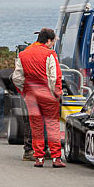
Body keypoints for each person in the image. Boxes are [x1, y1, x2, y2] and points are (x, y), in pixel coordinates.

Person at [19, 28, 65, 168]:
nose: (52, 44)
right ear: (49, 40)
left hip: (31, 95)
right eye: (53, 42)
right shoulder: (50, 54)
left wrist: (24, 91)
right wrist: (56, 93)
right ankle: (56, 157)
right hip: (47, 95)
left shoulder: (23, 54)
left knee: (36, 126)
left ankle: (39, 157)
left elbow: (17, 77)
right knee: (52, 126)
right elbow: (54, 76)